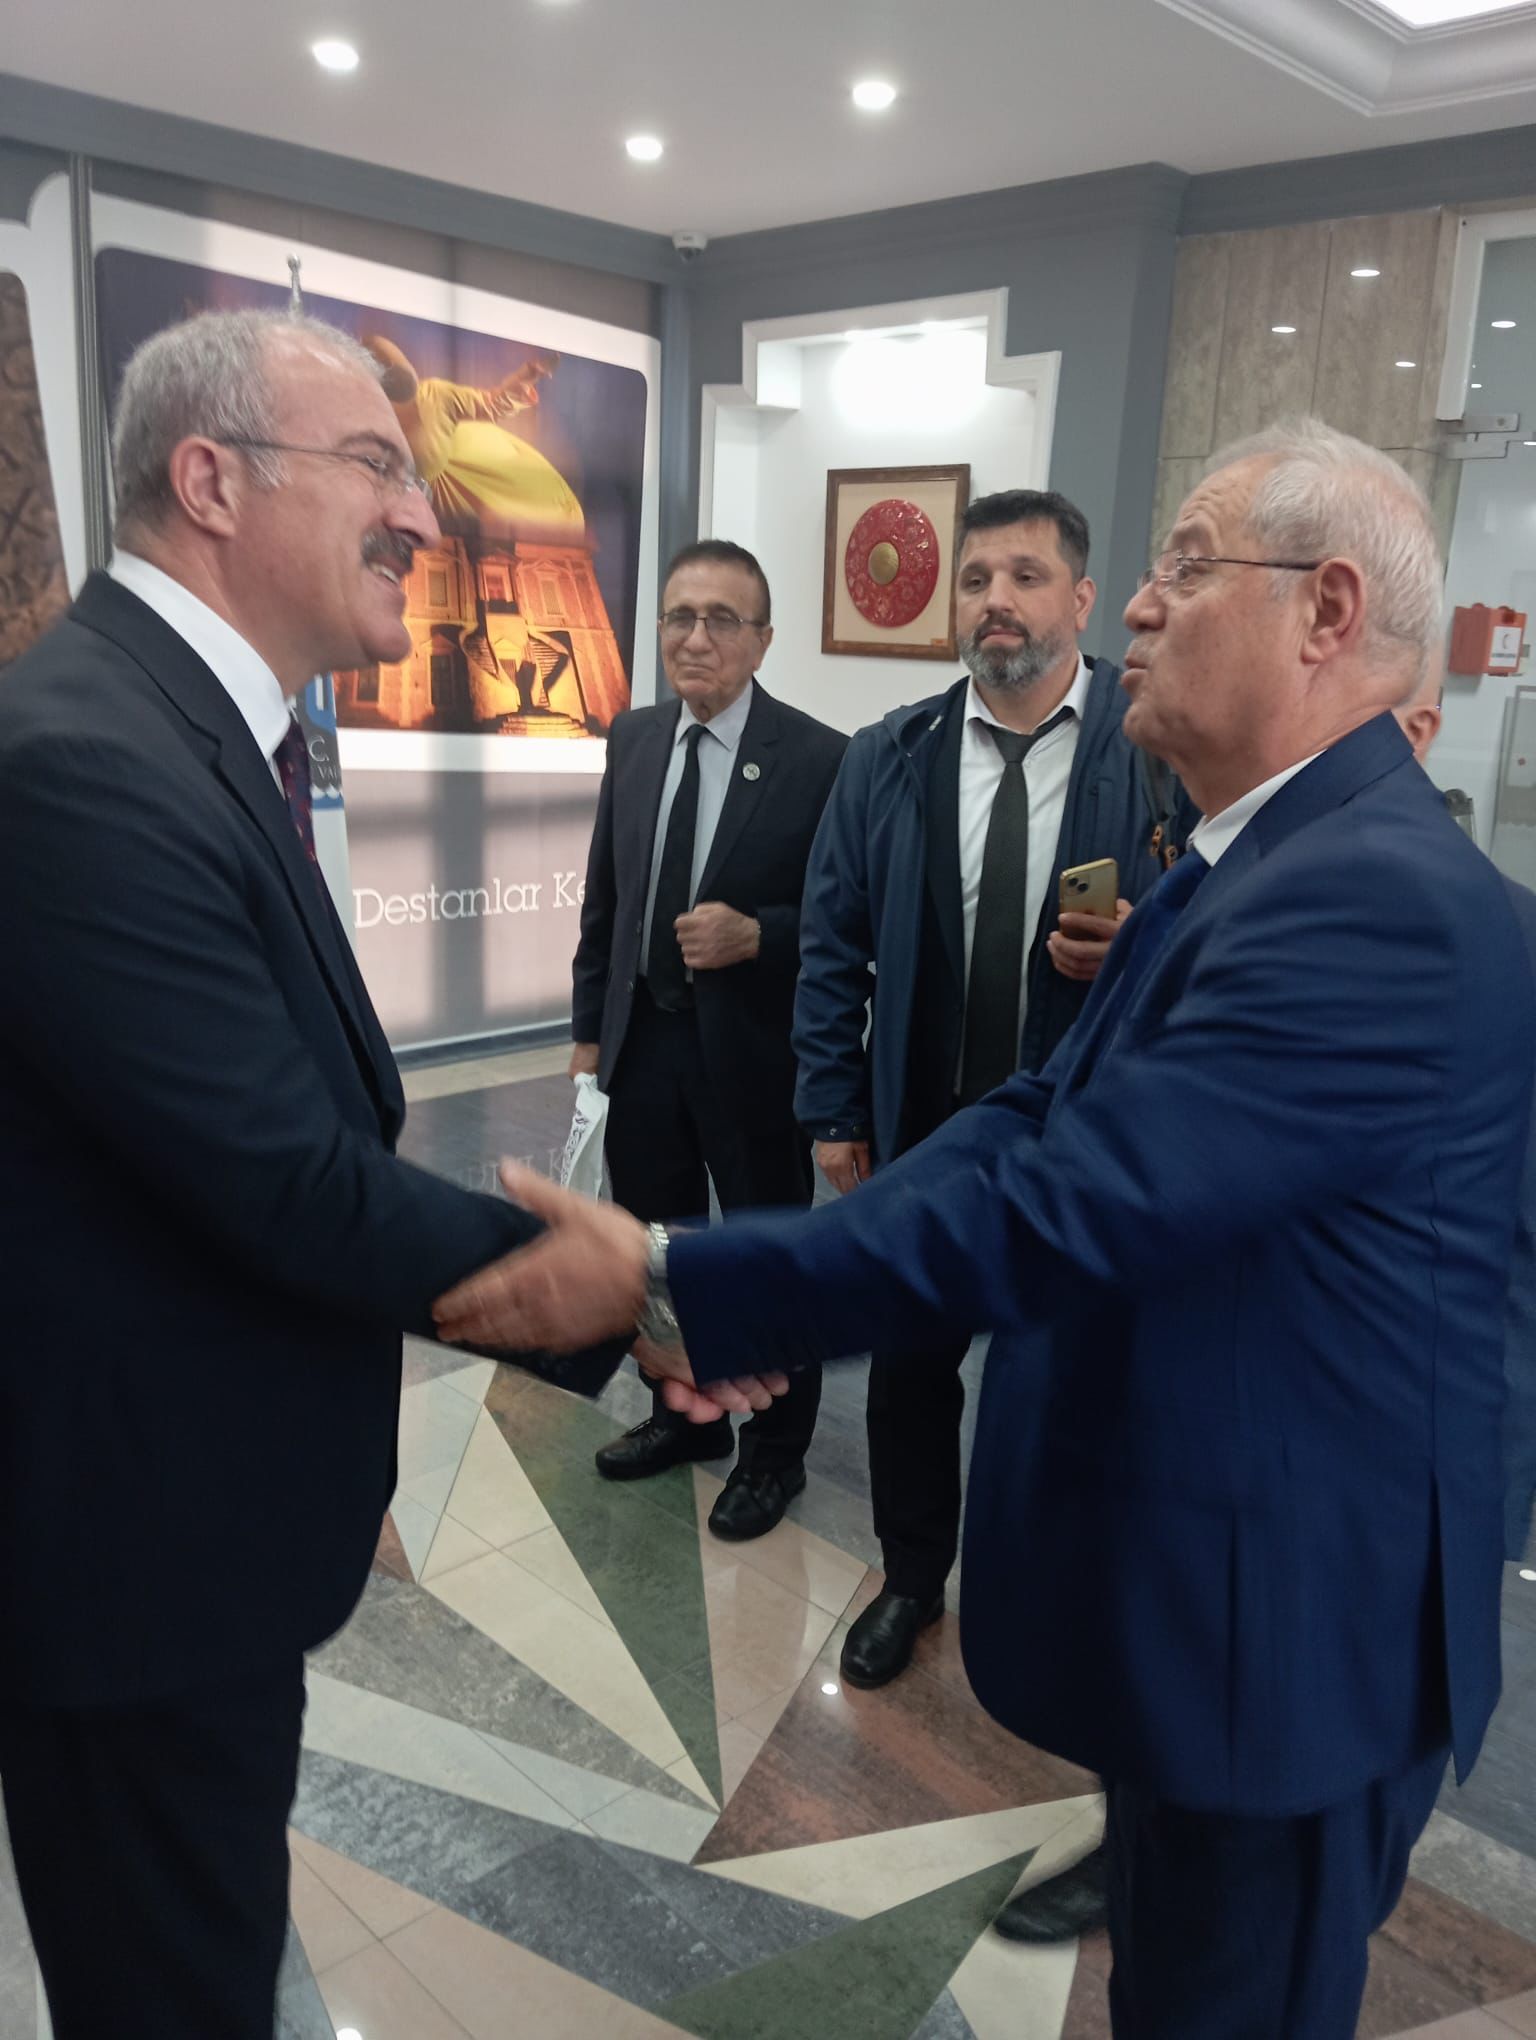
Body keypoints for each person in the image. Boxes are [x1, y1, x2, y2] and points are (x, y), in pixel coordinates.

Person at [435, 420, 1536, 2037]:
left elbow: (1077, 1204)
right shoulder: (1246, 861)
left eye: (1183, 566)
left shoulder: (1372, 897)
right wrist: (748, 1270)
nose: (1138, 606)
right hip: (1214, 1604)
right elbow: (1034, 1115)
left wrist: (684, 1282)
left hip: (1291, 1635)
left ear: (1327, 609)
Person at [0, 308, 657, 2040]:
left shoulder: (189, 728)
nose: (426, 517)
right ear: (211, 482)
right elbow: (286, 1179)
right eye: (377, 465)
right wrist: (641, 1298)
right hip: (127, 1563)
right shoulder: (80, 762)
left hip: (201, 1506)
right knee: (174, 1986)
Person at [795, 487, 1193, 1688]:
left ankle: (1053, 1602)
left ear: (1083, 596)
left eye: (1025, 576)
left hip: (1085, 1138)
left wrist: (1142, 946)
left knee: (1066, 1382)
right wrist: (834, 1110)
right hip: (924, 1126)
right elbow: (831, 943)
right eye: (975, 580)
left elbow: (1226, 933)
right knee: (911, 1371)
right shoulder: (890, 755)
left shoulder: (1158, 746)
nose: (996, 601)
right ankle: (912, 1576)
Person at [569, 539, 846, 1538]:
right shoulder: (635, 737)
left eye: (722, 619)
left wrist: (758, 934)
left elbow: (845, 924)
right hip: (642, 1047)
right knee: (659, 1251)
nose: (696, 637)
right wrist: (588, 1041)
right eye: (680, 616)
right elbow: (607, 899)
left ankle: (775, 1455)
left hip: (754, 1060)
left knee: (768, 1259)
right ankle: (683, 1419)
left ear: (763, 640)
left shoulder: (822, 758)